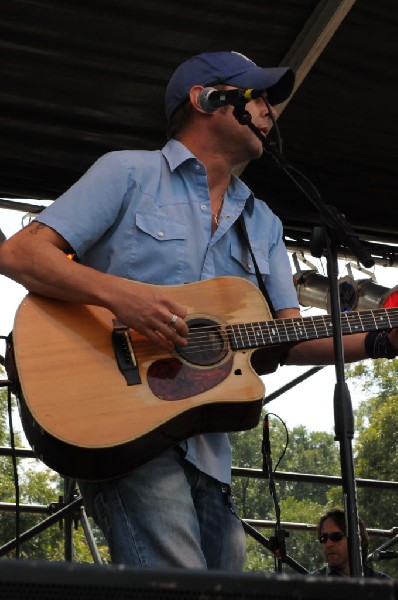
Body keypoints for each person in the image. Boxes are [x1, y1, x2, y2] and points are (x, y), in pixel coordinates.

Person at [0, 50, 397, 570]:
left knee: (226, 585)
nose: (270, 111)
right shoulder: (127, 173)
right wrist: (122, 296)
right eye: (257, 97)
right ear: (206, 98)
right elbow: (20, 254)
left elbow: (288, 336)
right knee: (179, 578)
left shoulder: (264, 224)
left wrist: (383, 339)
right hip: (119, 425)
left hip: (209, 450)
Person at [311, 508, 389, 578]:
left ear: (357, 540)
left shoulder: (383, 584)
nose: (328, 544)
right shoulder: (310, 585)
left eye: (336, 537)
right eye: (323, 538)